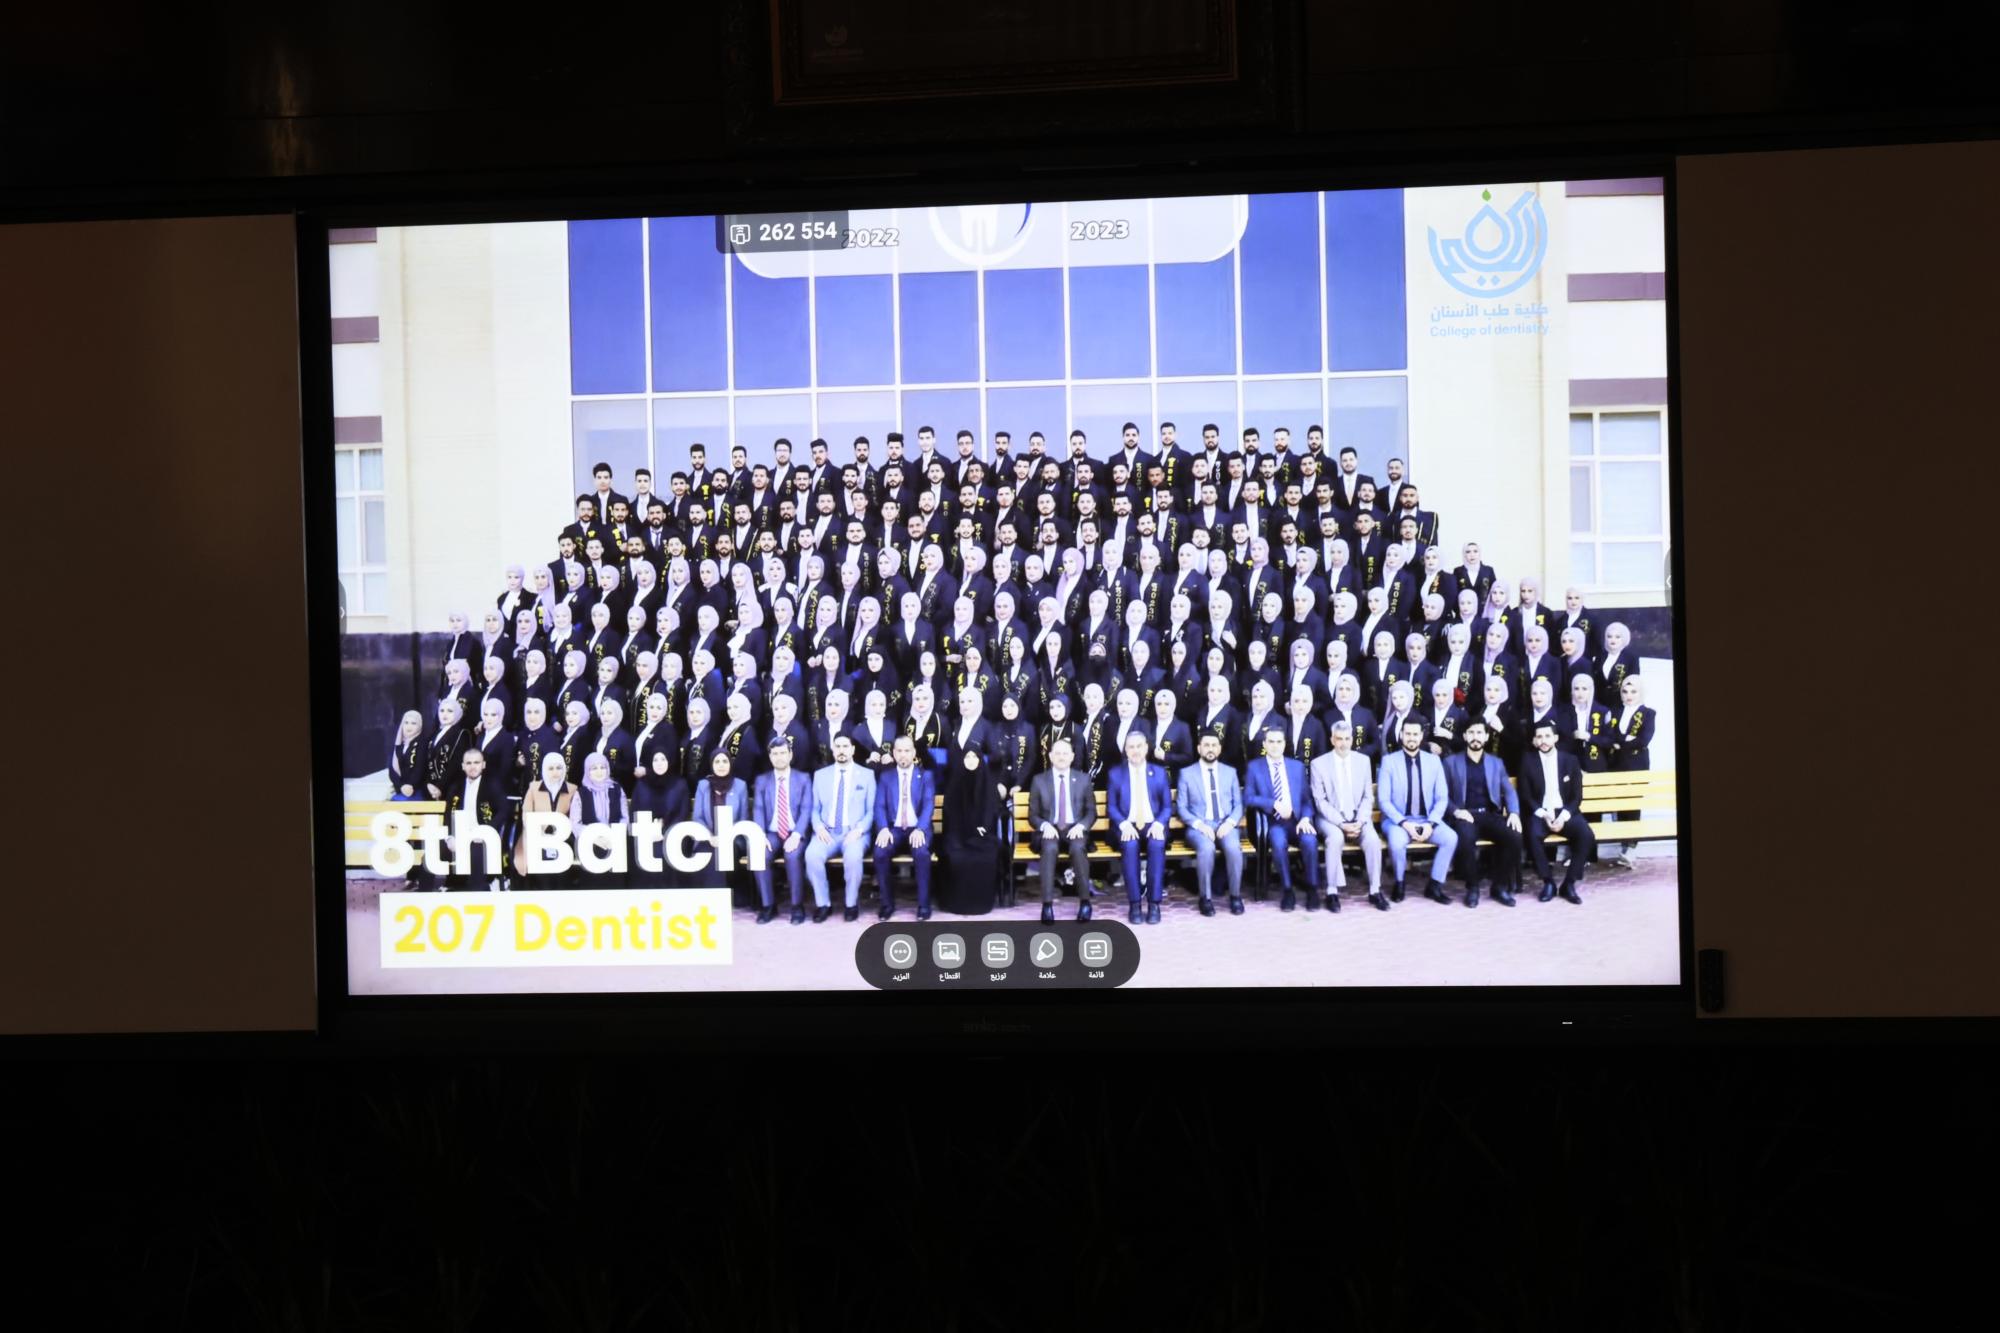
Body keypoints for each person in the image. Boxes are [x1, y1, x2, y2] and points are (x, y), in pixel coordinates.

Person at [1441, 719, 1524, 907]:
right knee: (1465, 838)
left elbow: (1509, 791)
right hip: (1465, 815)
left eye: (1479, 733)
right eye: (1471, 733)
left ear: (1486, 737)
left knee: (1515, 836)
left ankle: (1499, 887)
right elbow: (1442, 795)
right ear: (1464, 736)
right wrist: (1456, 811)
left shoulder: (1496, 763)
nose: (1475, 737)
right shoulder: (1451, 762)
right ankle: (1472, 887)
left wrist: (1513, 812)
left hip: (1489, 814)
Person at [1378, 718, 1459, 904]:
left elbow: (1442, 798)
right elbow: (1384, 801)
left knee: (1451, 838)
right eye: (1407, 734)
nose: (1411, 738)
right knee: (1397, 842)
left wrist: (1431, 823)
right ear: (1401, 735)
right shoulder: (1389, 762)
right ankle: (1399, 883)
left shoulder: (1434, 761)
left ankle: (1435, 886)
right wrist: (1405, 824)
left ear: (1421, 736)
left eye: (1415, 734)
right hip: (1398, 821)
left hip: (1426, 819)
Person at [1311, 720, 1386, 911]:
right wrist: (1342, 823)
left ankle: (1375, 890)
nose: (1343, 743)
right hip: (1330, 818)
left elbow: (1368, 796)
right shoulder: (1318, 764)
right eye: (1339, 739)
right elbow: (1320, 801)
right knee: (1335, 838)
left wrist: (1360, 821)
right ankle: (1332, 892)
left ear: (1352, 739)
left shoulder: (1363, 761)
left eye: (1346, 739)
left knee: (1373, 840)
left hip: (1358, 818)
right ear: (1332, 740)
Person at [1245, 727, 1319, 911]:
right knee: (1278, 843)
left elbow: (1306, 799)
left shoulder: (1296, 767)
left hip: (1297, 821)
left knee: (1310, 841)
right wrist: (1273, 804)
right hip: (1273, 822)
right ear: (1264, 744)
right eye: (1271, 742)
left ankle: (1312, 889)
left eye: (1279, 742)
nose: (1275, 746)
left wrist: (1306, 818)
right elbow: (1248, 798)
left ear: (1285, 744)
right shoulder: (1254, 767)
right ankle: (1287, 890)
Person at [1521, 718, 1594, 904]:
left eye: (1547, 736)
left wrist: (1563, 817)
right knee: (1531, 834)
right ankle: (1548, 882)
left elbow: (1577, 797)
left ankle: (1569, 883)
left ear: (1555, 738)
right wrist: (1543, 814)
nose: (1543, 740)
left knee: (1586, 834)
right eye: (1539, 737)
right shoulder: (1528, 761)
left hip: (1565, 812)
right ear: (1534, 740)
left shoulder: (1570, 760)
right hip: (1541, 812)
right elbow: (1526, 796)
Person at [807, 735, 877, 921]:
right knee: (811, 855)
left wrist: (859, 830)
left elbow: (871, 811)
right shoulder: (820, 775)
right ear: (832, 749)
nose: (841, 750)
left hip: (855, 832)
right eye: (837, 746)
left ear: (853, 749)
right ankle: (823, 904)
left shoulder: (867, 775)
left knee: (853, 857)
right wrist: (818, 827)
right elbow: (814, 809)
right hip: (827, 832)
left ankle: (851, 904)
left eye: (845, 746)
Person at [1175, 731, 1244, 916]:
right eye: (1206, 745)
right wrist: (1199, 825)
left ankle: (1235, 896)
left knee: (1233, 848)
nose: (1210, 749)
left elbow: (1238, 805)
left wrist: (1230, 823)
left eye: (1214, 745)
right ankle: (1205, 898)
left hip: (1225, 824)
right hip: (1199, 826)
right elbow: (1181, 808)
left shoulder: (1230, 772)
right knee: (1206, 849)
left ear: (1219, 749)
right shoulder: (1186, 773)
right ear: (1199, 749)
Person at [1106, 731, 1171, 924]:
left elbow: (1167, 807)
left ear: (1146, 748)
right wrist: (1124, 825)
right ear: (1125, 750)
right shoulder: (1115, 774)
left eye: (1139, 746)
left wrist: (1159, 823)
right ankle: (1134, 904)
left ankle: (1154, 903)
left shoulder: (1159, 772)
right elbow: (1112, 807)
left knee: (1157, 844)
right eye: (1131, 747)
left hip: (1152, 824)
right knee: (1130, 845)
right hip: (1127, 824)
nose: (1135, 751)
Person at [1029, 736, 1094, 922]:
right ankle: (1047, 905)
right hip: (1051, 829)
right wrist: (1044, 825)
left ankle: (1085, 902)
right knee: (1049, 848)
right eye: (1057, 753)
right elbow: (1033, 814)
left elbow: (1091, 812)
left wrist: (1081, 826)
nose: (1061, 757)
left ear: (1072, 756)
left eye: (1065, 753)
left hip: (1075, 829)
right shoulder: (1039, 780)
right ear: (1050, 756)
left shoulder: (1083, 779)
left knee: (1078, 848)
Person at [750, 735, 814, 923]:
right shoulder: (762, 780)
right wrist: (760, 835)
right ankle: (768, 906)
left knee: (792, 856)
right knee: (759, 854)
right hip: (772, 832)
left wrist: (797, 834)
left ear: (790, 755)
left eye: (783, 753)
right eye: (775, 754)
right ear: (770, 757)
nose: (779, 757)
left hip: (795, 832)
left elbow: (806, 809)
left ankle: (797, 906)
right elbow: (758, 809)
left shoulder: (803, 779)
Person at [873, 736, 936, 920]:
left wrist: (921, 829)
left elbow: (928, 805)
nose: (903, 755)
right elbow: (879, 806)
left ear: (914, 753)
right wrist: (883, 828)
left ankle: (923, 905)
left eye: (907, 750)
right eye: (899, 751)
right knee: (880, 852)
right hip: (894, 829)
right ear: (893, 753)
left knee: (921, 852)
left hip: (917, 828)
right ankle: (887, 905)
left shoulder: (925, 776)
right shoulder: (886, 777)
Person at [938, 744, 1003, 916]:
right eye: (967, 757)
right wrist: (967, 830)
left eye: (975, 757)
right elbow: (950, 814)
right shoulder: (954, 782)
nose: (971, 760)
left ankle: (981, 903)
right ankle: (957, 902)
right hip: (958, 835)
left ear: (981, 760)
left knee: (987, 856)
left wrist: (983, 827)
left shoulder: (988, 782)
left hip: (982, 835)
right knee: (956, 857)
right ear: (962, 760)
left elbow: (991, 810)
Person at [1604, 674, 1657, 867]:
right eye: (1625, 691)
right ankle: (1624, 847)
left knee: (1633, 806)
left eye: (1633, 691)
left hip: (1637, 765)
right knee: (1620, 806)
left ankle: (1632, 849)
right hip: (1616, 765)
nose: (1629, 695)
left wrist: (1621, 744)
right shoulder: (1615, 711)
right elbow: (1610, 736)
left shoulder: (1648, 713)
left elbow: (1644, 740)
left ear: (1640, 692)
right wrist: (1624, 741)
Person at [513, 752, 579, 884]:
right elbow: (526, 814)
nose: (555, 772)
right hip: (536, 835)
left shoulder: (572, 789)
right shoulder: (534, 787)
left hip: (562, 838)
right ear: (544, 769)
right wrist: (539, 834)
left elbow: (575, 817)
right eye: (551, 768)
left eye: (559, 768)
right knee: (535, 866)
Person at [629, 747, 690, 889]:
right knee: (646, 850)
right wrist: (650, 829)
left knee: (667, 849)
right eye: (655, 760)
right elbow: (634, 812)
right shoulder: (642, 784)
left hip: (673, 834)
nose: (659, 763)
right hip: (646, 835)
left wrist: (665, 830)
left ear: (669, 761)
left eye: (663, 759)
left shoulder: (680, 784)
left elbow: (682, 813)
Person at [692, 751, 749, 899]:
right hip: (708, 837)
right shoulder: (703, 786)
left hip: (733, 838)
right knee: (706, 851)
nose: (721, 765)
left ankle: (725, 895)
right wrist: (710, 837)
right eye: (717, 762)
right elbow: (698, 817)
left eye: (725, 761)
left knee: (726, 850)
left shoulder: (740, 786)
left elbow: (743, 820)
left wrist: (725, 837)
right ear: (711, 765)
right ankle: (712, 898)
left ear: (730, 764)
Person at [573, 751, 631, 887]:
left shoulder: (617, 790)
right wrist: (595, 838)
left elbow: (625, 818)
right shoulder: (580, 793)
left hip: (614, 845)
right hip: (591, 847)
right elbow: (575, 824)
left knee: (615, 886)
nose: (599, 772)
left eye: (602, 767)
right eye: (594, 768)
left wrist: (613, 837)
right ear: (588, 771)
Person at [387, 710, 429, 800]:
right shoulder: (399, 744)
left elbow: (420, 769)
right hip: (400, 789)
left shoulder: (422, 744)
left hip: (416, 789)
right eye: (406, 723)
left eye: (413, 723)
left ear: (419, 725)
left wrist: (410, 785)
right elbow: (392, 770)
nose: (409, 726)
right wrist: (401, 786)